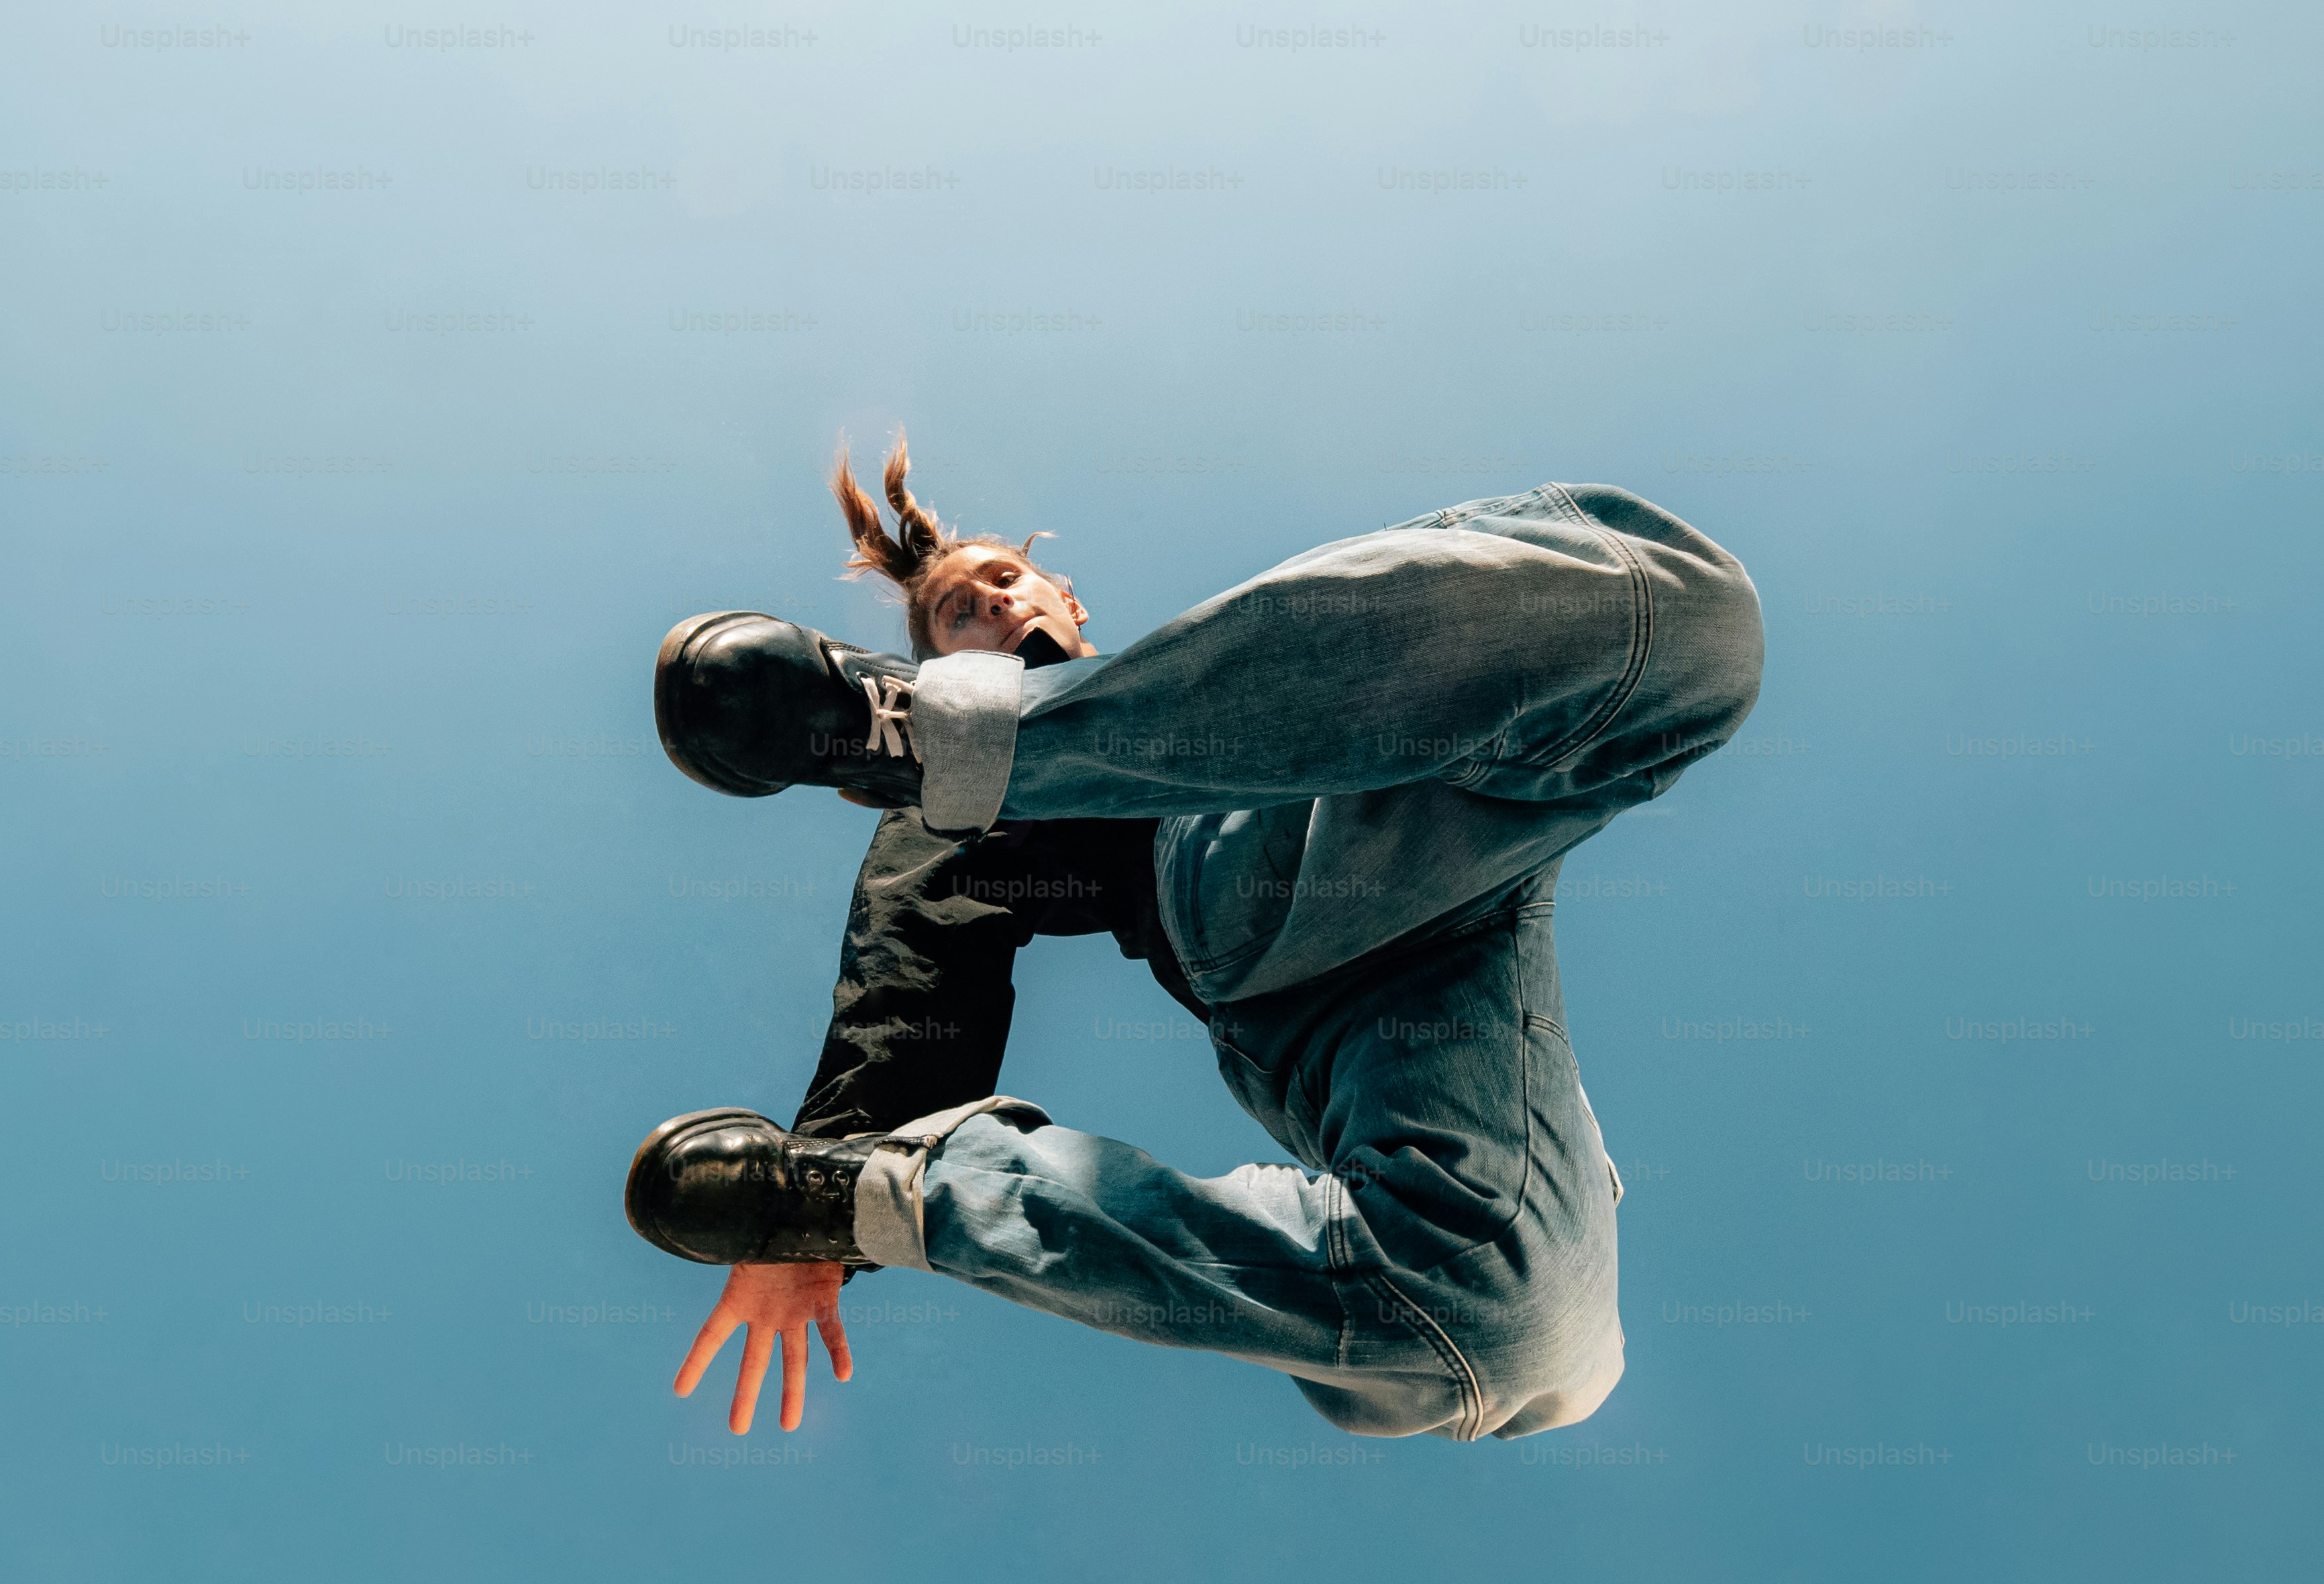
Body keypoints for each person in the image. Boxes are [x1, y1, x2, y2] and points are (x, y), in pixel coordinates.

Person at [625, 438, 1764, 1444]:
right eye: (961, 619)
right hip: (1300, 958)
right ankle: (896, 1181)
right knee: (1509, 1337)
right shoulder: (982, 819)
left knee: (1694, 628)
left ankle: (960, 742)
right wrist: (818, 1208)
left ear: (1067, 595)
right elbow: (917, 959)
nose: (995, 609)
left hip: (1442, 831)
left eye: (1005, 583)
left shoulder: (1243, 667)